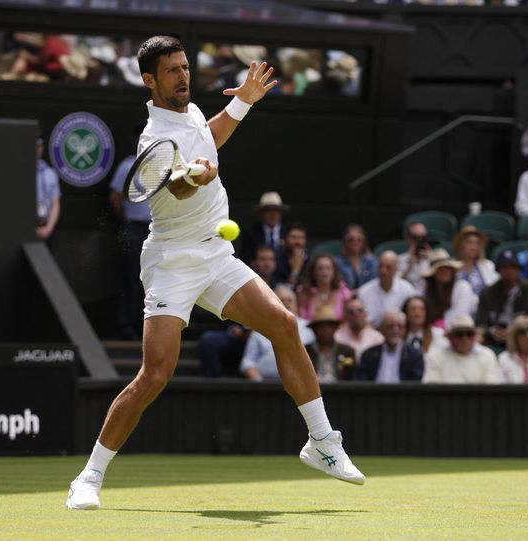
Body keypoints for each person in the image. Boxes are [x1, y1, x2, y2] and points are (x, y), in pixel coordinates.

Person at [67, 36, 365, 511]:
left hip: (216, 255)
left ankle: (323, 442)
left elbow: (209, 135)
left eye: (186, 67)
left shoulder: (187, 117)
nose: (184, 76)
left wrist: (243, 103)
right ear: (150, 80)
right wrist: (194, 178)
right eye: (172, 71)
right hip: (173, 262)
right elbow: (180, 190)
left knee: (285, 325)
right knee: (155, 375)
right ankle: (89, 476)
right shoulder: (153, 139)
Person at [109, 124, 151, 340]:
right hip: (134, 228)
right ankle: (126, 325)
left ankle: (147, 327)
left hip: (156, 231)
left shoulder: (162, 165)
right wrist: (125, 220)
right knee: (131, 277)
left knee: (152, 281)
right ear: (136, 141)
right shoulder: (127, 166)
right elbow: (115, 197)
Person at [241, 286, 315, 382]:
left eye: (290, 300)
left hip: (301, 384)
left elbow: (315, 359)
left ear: (296, 305)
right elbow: (247, 362)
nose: (286, 304)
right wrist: (260, 384)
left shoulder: (308, 328)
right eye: (282, 300)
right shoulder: (259, 330)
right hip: (266, 385)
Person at [476, 250, 528, 348]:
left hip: (523, 341)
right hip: (493, 341)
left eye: (513, 268)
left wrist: (515, 329)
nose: (509, 272)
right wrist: (492, 331)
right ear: (498, 270)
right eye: (505, 268)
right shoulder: (487, 293)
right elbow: (480, 323)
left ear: (519, 270)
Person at [422, 314, 503, 384]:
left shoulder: (487, 355)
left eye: (469, 334)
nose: (465, 339)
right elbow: (431, 388)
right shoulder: (437, 356)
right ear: (451, 338)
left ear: (474, 336)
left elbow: (491, 389)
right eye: (459, 334)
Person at [356, 310, 424, 383]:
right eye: (390, 326)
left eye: (399, 326)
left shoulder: (414, 355)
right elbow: (361, 382)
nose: (395, 330)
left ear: (405, 330)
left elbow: (414, 384)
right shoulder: (369, 354)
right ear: (382, 329)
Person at [421, 249, 478, 330]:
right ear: (433, 273)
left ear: (452, 270)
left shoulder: (462, 287)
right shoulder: (426, 290)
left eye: (447, 268)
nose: (444, 271)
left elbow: (460, 315)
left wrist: (439, 327)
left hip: (458, 332)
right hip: (429, 331)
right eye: (440, 269)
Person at [358, 250, 416, 328]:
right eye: (380, 266)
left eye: (388, 267)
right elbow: (363, 321)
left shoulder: (407, 290)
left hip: (400, 334)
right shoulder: (364, 291)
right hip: (373, 334)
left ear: (396, 269)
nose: (383, 271)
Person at [306, 305, 356, 383]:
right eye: (321, 326)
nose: (325, 330)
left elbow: (352, 377)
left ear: (336, 328)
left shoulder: (347, 351)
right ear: (314, 330)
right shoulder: (305, 351)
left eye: (329, 326)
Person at [296, 253, 351, 322]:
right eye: (320, 269)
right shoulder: (304, 292)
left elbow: (347, 320)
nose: (324, 273)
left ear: (334, 271)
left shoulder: (343, 293)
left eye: (328, 268)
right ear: (313, 272)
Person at [239, 191, 288, 263]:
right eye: (268, 210)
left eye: (276, 210)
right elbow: (245, 259)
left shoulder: (288, 233)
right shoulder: (250, 233)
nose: (273, 214)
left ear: (281, 213)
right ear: (261, 213)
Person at [452, 226, 498, 295]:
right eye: (469, 243)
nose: (474, 247)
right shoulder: (452, 266)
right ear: (461, 245)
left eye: (477, 243)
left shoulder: (488, 265)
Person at [333, 298, 384, 362]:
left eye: (359, 311)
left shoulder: (377, 338)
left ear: (365, 314)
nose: (355, 314)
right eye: (351, 312)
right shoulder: (337, 337)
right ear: (345, 316)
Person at [335, 223, 378, 291]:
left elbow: (374, 285)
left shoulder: (371, 261)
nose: (355, 242)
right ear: (345, 242)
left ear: (364, 242)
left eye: (359, 239)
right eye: (350, 239)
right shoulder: (336, 262)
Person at [35, 135, 61, 244]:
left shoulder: (50, 173)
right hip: (24, 230)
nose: (38, 149)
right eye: (36, 145)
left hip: (46, 229)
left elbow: (55, 203)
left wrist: (48, 228)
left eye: (40, 146)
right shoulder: (19, 172)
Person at [398, 221, 432, 290]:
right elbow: (397, 286)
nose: (419, 241)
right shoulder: (399, 260)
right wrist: (410, 266)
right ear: (408, 238)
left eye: (423, 237)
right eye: (415, 237)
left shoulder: (435, 257)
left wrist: (433, 260)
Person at [273, 222, 309, 287]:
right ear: (284, 240)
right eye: (293, 237)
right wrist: (296, 269)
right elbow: (287, 289)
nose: (298, 242)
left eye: (302, 238)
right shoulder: (276, 259)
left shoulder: (310, 260)